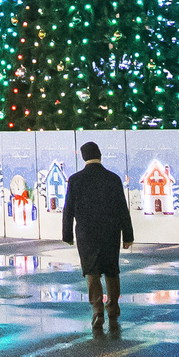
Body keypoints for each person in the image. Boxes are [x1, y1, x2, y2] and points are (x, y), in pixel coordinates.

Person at [61, 141, 135, 330]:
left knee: (92, 271)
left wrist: (67, 234)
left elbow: (68, 210)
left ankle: (97, 310)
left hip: (87, 233)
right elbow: (122, 209)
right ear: (100, 155)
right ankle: (113, 307)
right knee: (112, 270)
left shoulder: (75, 180)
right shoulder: (113, 179)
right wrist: (128, 235)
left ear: (83, 157)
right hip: (110, 232)